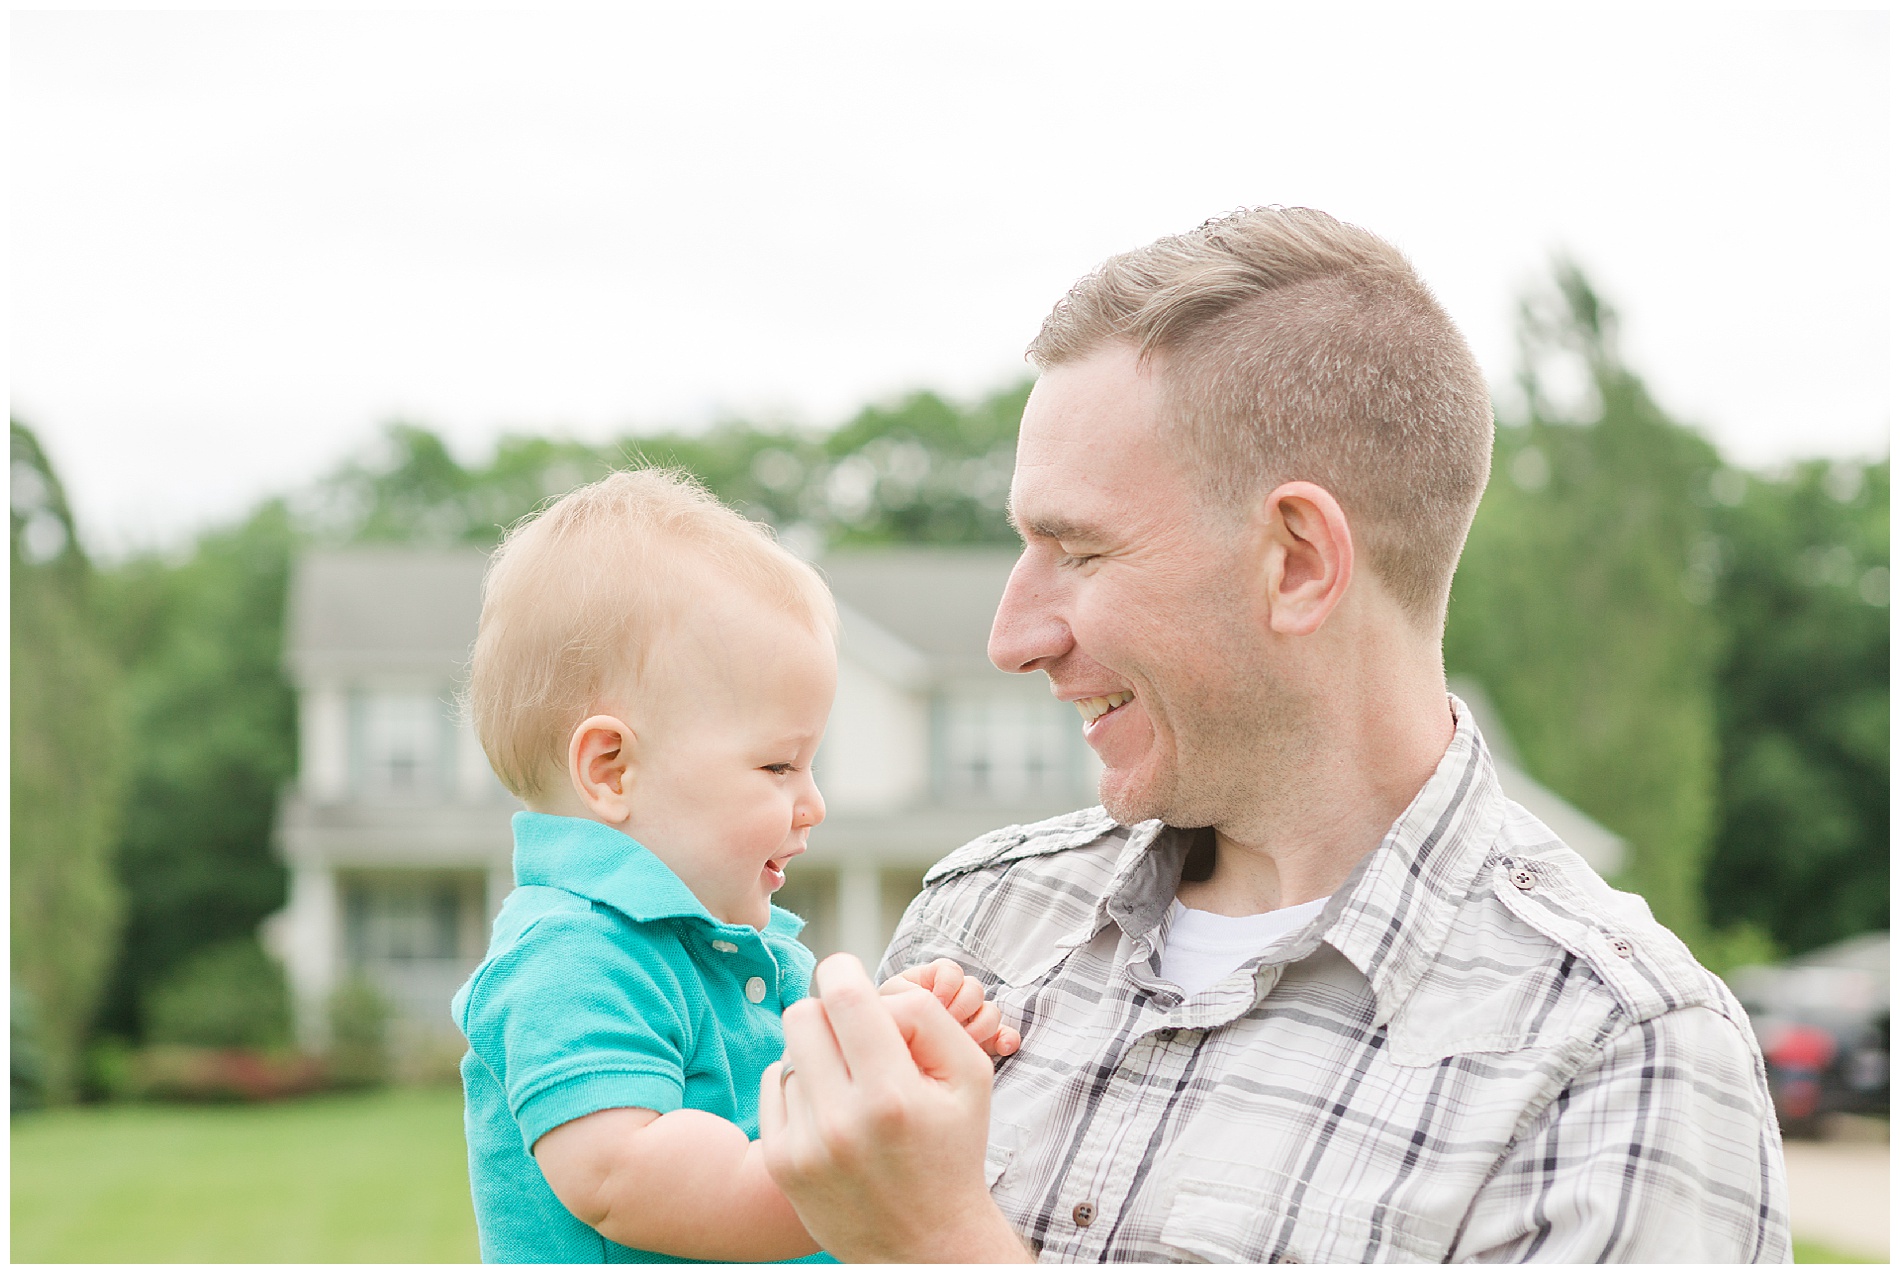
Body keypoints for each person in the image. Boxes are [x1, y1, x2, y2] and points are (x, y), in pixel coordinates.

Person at [758, 208, 1792, 1262]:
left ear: (1296, 560)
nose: (1011, 638)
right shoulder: (981, 915)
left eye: (1077, 550)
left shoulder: (1613, 1054)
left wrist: (934, 1242)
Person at [451, 469, 1016, 1263]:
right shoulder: (571, 958)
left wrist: (886, 1051)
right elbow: (625, 1179)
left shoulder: (726, 950)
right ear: (611, 768)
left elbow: (786, 1107)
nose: (813, 802)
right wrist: (871, 1181)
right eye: (779, 768)